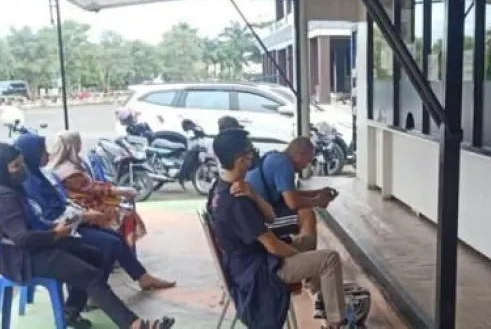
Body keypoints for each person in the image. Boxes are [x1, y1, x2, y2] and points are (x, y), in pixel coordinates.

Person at [0, 143, 175, 329]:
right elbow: (21, 238)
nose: (22, 169)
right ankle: (134, 324)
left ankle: (72, 309)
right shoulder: (5, 197)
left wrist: (58, 229)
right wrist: (55, 234)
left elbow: (35, 221)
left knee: (96, 256)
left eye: (22, 163)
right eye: (16, 166)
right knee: (90, 274)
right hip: (24, 258)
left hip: (42, 242)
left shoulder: (16, 188)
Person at [207, 129, 347, 329]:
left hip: (253, 259)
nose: (253, 155)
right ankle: (336, 323)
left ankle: (323, 295)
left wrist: (253, 193)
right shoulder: (235, 203)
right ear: (240, 159)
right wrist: (299, 256)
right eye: (249, 151)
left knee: (308, 242)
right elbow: (272, 245)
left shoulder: (224, 188)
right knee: (329, 259)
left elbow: (271, 217)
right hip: (259, 270)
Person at [15, 133, 175, 292]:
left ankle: (141, 278)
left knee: (116, 237)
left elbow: (63, 202)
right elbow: (50, 215)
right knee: (110, 244)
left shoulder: (40, 175)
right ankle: (93, 290)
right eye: (43, 151)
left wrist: (82, 214)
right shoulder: (33, 182)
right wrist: (83, 216)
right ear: (32, 154)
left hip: (72, 221)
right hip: (59, 232)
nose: (48, 154)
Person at [47, 131, 147, 248]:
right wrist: (122, 190)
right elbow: (93, 188)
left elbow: (93, 186)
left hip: (86, 202)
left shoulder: (65, 165)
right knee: (127, 214)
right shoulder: (69, 170)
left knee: (123, 206)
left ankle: (123, 248)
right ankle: (124, 248)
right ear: (73, 145)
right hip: (85, 207)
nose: (80, 145)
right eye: (78, 142)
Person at [245, 137, 337, 252]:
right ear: (300, 154)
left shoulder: (275, 157)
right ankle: (308, 258)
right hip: (258, 223)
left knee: (304, 210)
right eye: (308, 161)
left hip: (257, 214)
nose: (307, 166)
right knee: (306, 214)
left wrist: (317, 192)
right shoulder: (283, 165)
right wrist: (318, 201)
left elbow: (290, 194)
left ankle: (300, 252)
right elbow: (293, 202)